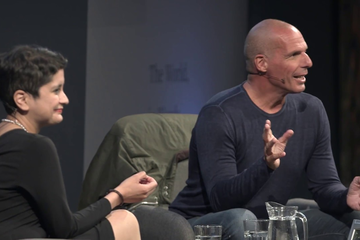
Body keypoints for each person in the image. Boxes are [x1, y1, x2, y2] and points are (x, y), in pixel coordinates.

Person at [169, 19, 360, 240]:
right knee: (242, 220)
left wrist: (346, 197)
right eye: (294, 55)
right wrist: (265, 166)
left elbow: (325, 187)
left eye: (305, 52)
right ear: (262, 64)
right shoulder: (219, 113)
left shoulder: (311, 109)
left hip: (267, 222)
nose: (308, 62)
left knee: (353, 220)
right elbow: (222, 200)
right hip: (205, 223)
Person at [0, 45, 158, 240]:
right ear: (22, 99)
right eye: (56, 90)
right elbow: (65, 229)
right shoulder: (34, 147)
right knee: (124, 220)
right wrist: (120, 194)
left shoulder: (7, 136)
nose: (65, 99)